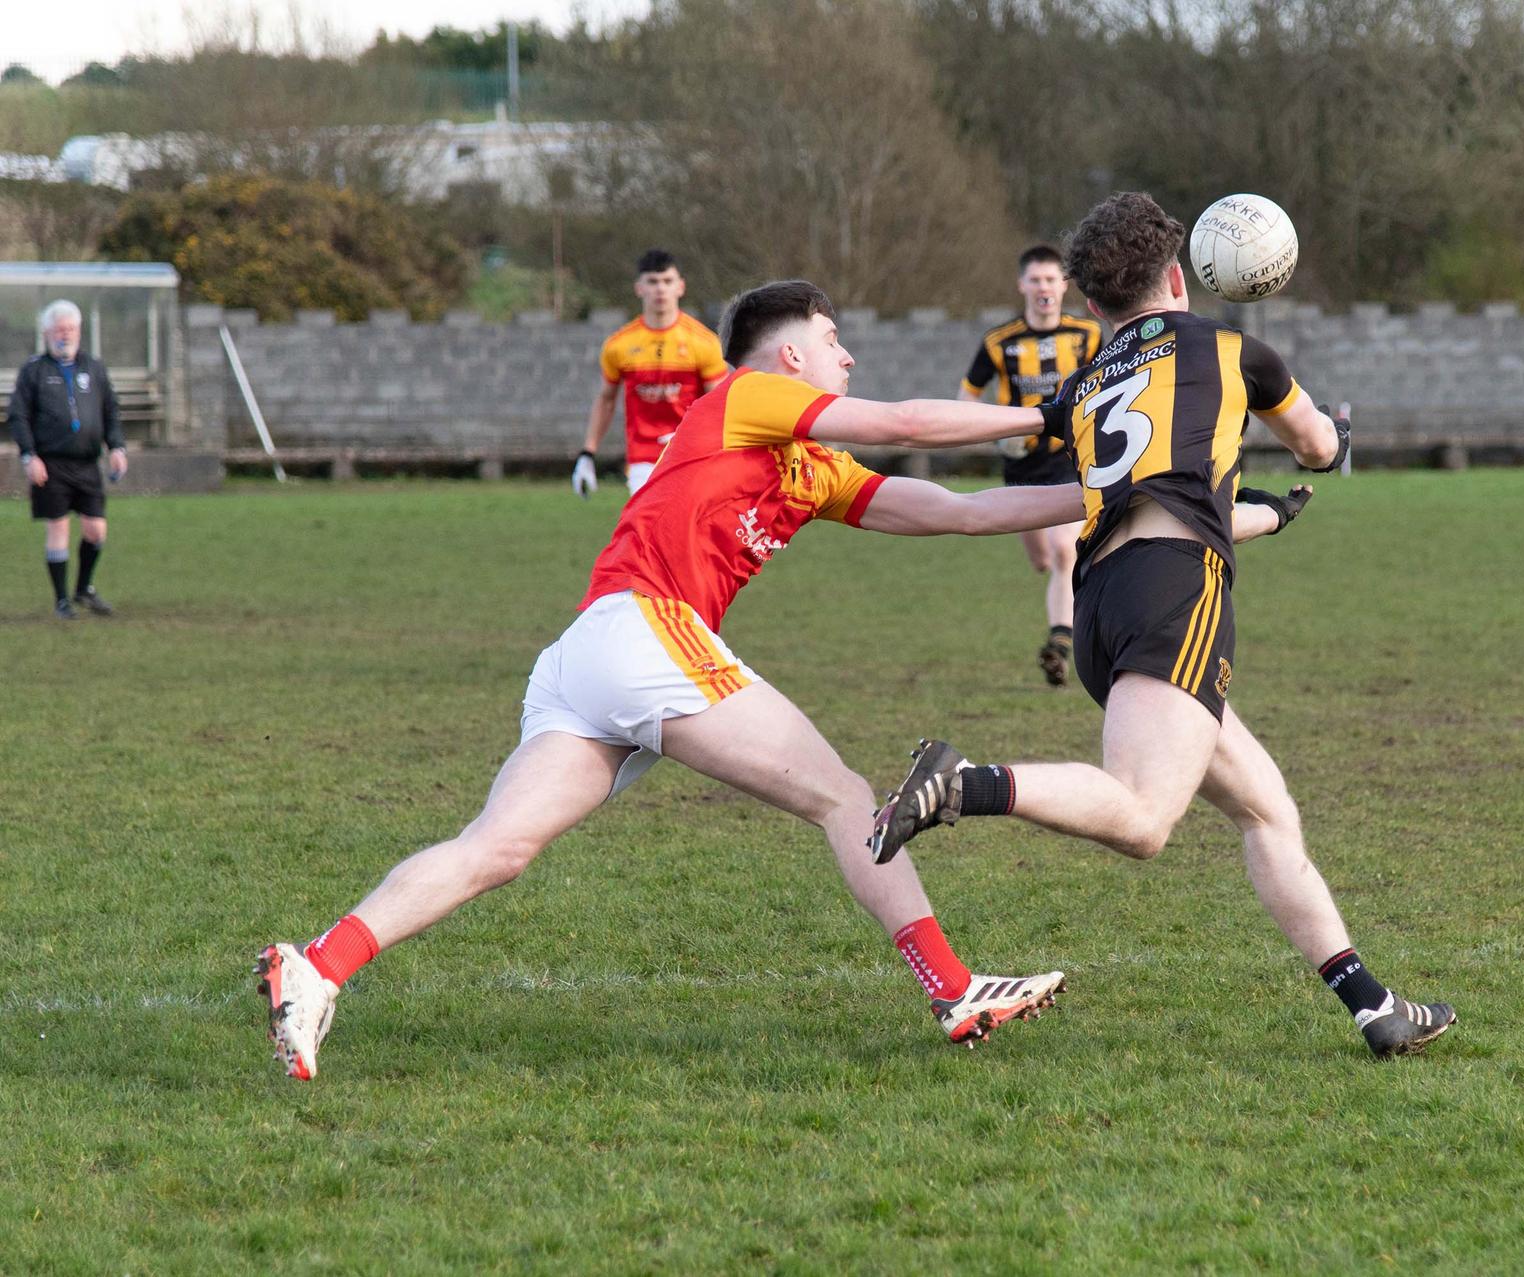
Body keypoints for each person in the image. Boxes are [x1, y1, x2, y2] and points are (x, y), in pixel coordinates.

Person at [255, 279, 1087, 1080]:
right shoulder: (747, 393)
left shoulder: (812, 468)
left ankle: (320, 964)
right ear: (788, 355)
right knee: (842, 793)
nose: (850, 357)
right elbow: (906, 421)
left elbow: (961, 511)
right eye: (834, 341)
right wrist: (1053, 411)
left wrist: (1098, 494)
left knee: (497, 848)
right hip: (644, 630)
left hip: (592, 652)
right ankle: (952, 987)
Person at [871, 192, 1457, 1059]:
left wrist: (1257, 515)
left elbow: (1130, 489)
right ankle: (963, 784)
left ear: (1092, 306)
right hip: (1172, 590)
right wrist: (1333, 437)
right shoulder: (1234, 351)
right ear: (1178, 278)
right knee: (1145, 819)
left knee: (1265, 806)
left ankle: (1374, 1006)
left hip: (1105, 606)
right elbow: (1316, 450)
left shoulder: (1089, 380)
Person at [958, 245, 1104, 686]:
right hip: (1021, 466)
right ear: (1022, 285)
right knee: (1042, 559)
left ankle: (1059, 641)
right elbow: (967, 396)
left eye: (1052, 279)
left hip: (1069, 459)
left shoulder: (1089, 336)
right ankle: (1059, 614)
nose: (1045, 288)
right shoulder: (1000, 343)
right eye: (1036, 280)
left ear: (1065, 285)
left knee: (1064, 552)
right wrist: (992, 434)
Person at [574, 249, 729, 499]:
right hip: (642, 459)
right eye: (653, 282)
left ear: (680, 287)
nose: (660, 289)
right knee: (649, 528)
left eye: (667, 281)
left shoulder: (704, 343)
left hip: (693, 453)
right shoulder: (619, 345)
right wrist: (587, 453)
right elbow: (606, 399)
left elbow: (722, 405)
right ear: (639, 288)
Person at [7, 299, 125, 619]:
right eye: (59, 329)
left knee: (96, 530)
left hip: (87, 463)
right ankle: (62, 601)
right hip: (51, 464)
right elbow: (18, 416)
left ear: (79, 331)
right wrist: (29, 456)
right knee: (58, 528)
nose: (65, 334)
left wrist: (117, 448)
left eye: (70, 329)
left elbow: (110, 411)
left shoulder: (94, 368)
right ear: (47, 332)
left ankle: (84, 588)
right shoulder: (34, 371)